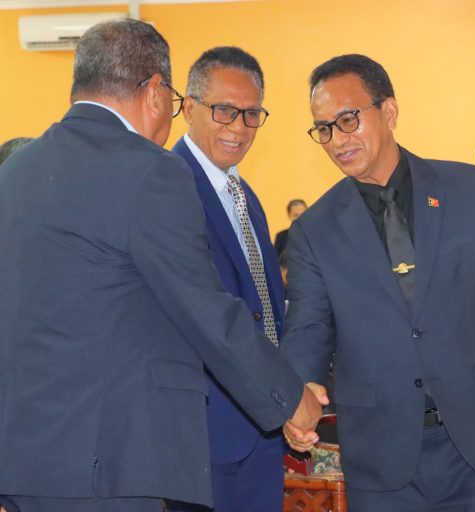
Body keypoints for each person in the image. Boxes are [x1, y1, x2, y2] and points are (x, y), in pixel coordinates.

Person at [0, 20, 325, 512]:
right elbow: (205, 308)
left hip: (24, 459)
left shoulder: (15, 172)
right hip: (110, 463)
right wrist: (290, 396)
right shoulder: (149, 169)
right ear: (156, 91)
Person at [280, 54, 475, 512]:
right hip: (382, 454)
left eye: (347, 119)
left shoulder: (471, 191)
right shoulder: (315, 229)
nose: (336, 139)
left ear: (388, 111)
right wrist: (300, 389)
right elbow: (308, 327)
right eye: (323, 128)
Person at [168, 46, 287, 512]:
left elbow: (263, 307)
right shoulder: (169, 185)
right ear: (189, 107)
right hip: (207, 433)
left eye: (251, 114)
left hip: (263, 426)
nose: (239, 127)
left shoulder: (244, 195)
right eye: (224, 110)